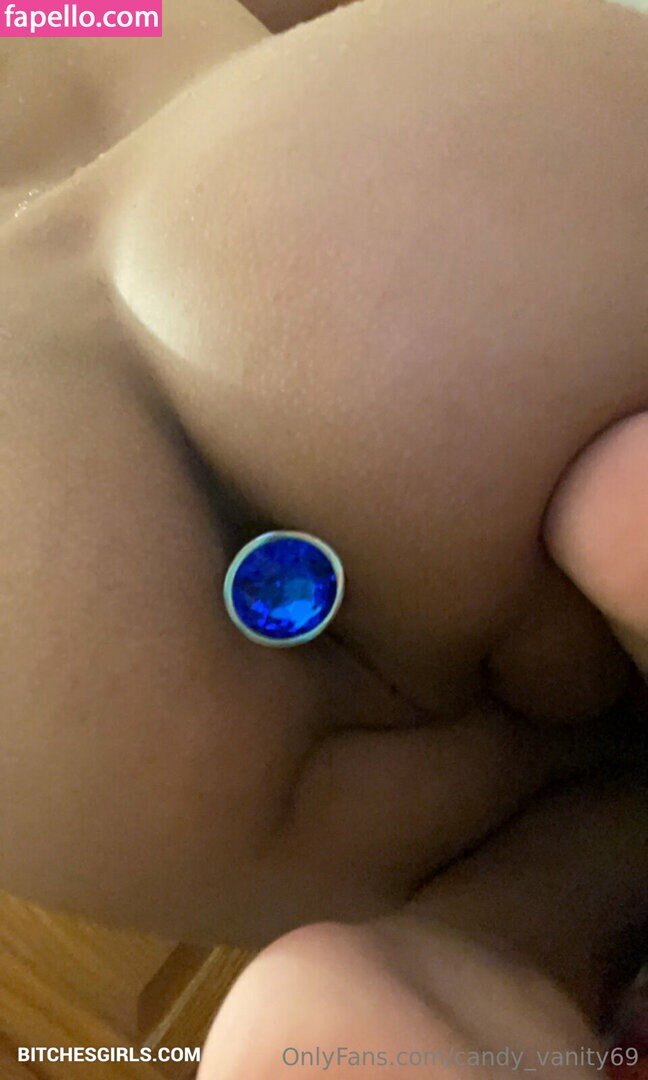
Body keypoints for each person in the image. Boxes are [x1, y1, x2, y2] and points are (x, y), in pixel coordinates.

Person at [1, 0, 645, 1074]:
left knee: (529, 879)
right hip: (322, 203)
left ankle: (446, 981)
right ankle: (617, 510)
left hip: (37, 576)